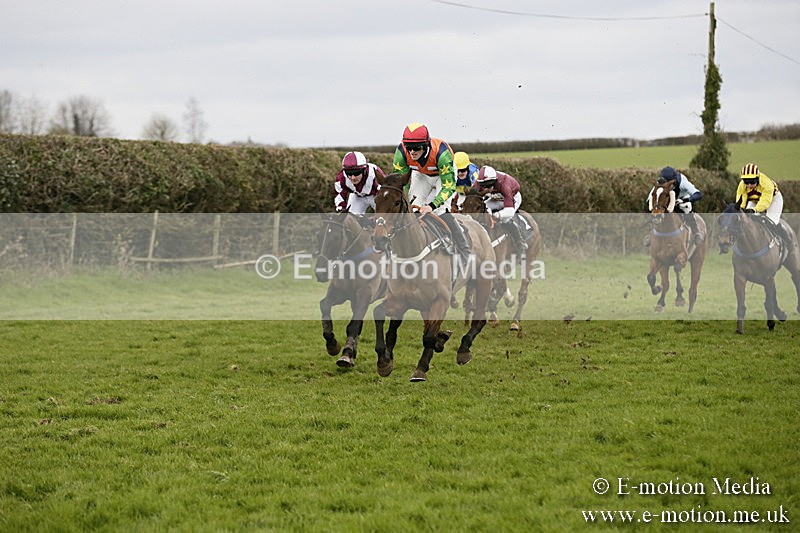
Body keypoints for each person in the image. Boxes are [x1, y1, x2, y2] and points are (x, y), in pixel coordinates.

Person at [391, 122, 472, 260]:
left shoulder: (442, 154)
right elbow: (399, 183)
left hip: (443, 177)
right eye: (408, 147)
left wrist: (431, 206)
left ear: (426, 145)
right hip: (421, 175)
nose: (412, 152)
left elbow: (449, 186)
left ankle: (464, 250)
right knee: (414, 209)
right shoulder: (401, 153)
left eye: (416, 148)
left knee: (439, 211)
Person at [475, 165, 528, 255]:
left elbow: (509, 211)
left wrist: (498, 214)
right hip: (496, 196)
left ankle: (519, 242)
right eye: (484, 186)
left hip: (512, 196)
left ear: (494, 181)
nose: (486, 188)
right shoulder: (478, 183)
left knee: (505, 218)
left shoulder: (505, 185)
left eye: (488, 185)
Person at [736, 162, 792, 246]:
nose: (749, 185)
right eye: (746, 181)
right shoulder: (742, 185)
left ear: (757, 178)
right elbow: (741, 199)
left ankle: (788, 242)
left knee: (770, 222)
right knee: (747, 219)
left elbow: (765, 202)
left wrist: (754, 210)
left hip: (773, 199)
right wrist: (741, 209)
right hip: (754, 200)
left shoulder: (766, 184)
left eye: (752, 181)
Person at [660, 166, 704, 245]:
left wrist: (686, 200)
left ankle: (696, 232)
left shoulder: (683, 183)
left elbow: (698, 194)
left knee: (686, 208)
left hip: (682, 199)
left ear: (673, 181)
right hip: (668, 198)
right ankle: (652, 232)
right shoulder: (661, 182)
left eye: (668, 183)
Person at [333, 151, 384, 215]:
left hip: (375, 196)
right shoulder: (341, 178)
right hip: (357, 196)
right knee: (350, 218)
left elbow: (385, 193)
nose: (353, 177)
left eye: (356, 173)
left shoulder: (374, 174)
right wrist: (341, 211)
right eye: (349, 173)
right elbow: (339, 197)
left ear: (364, 170)